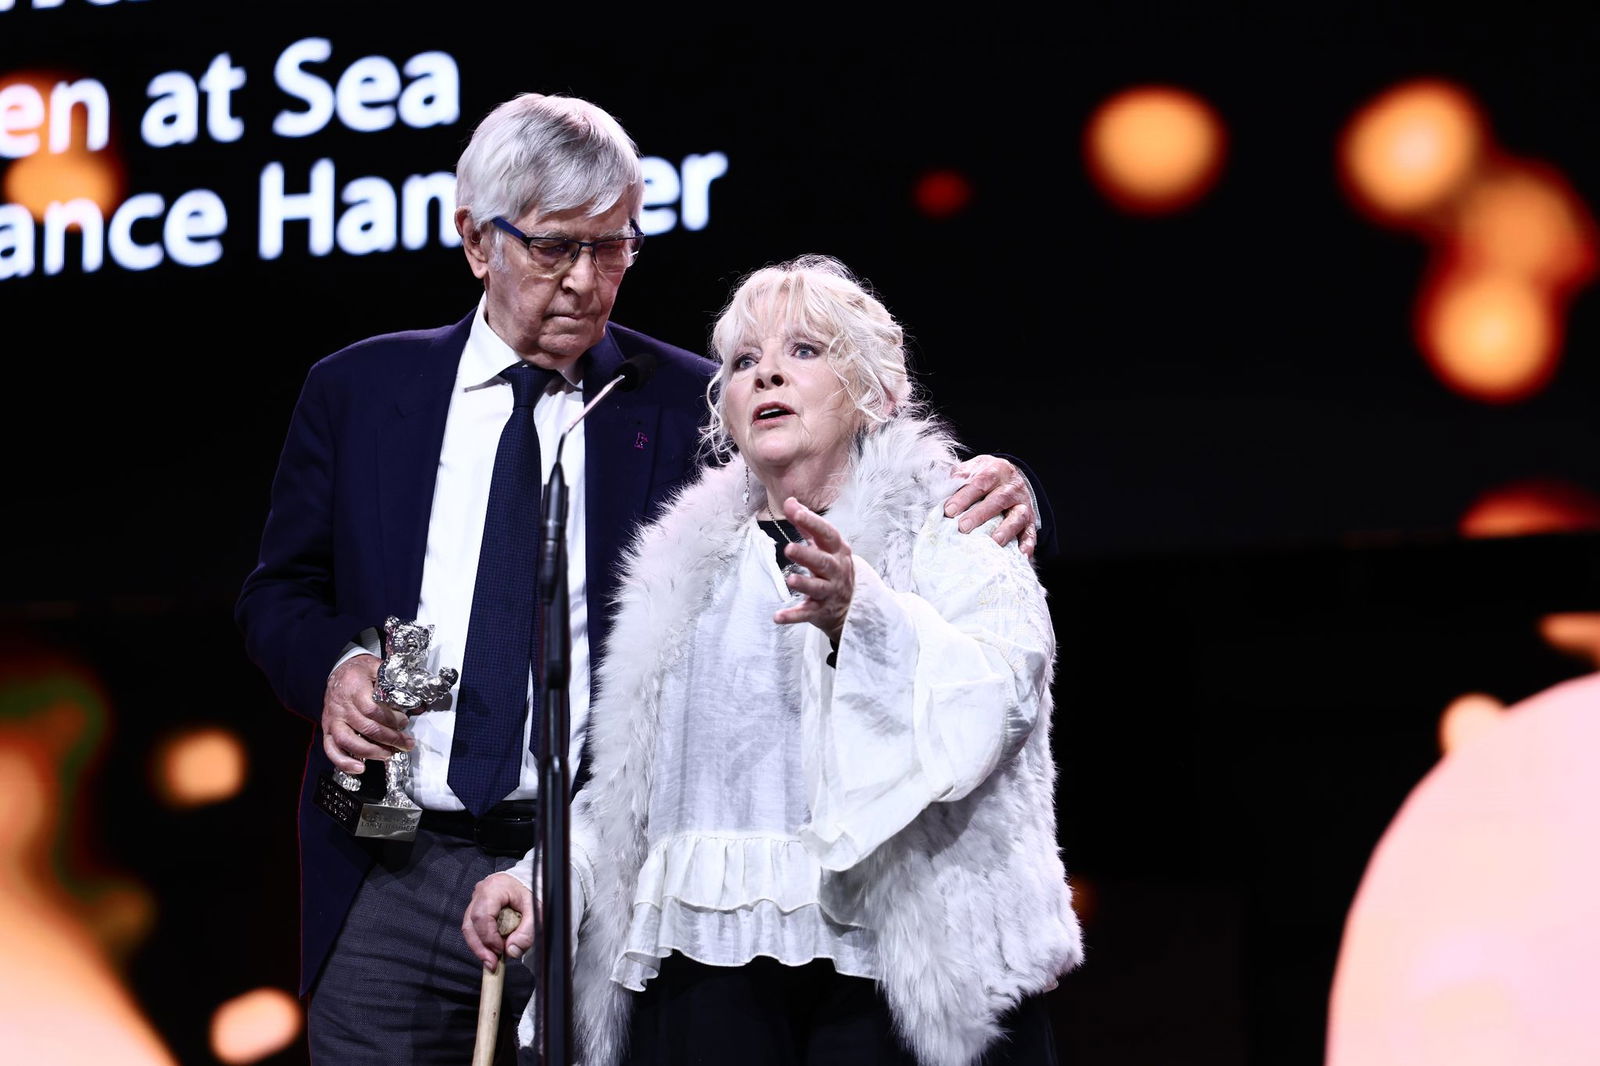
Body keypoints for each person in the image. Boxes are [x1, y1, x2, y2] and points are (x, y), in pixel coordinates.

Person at [236, 95, 1048, 1064]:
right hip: (388, 860)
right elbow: (278, 593)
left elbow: (852, 464)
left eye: (613, 246)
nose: (585, 282)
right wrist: (334, 669)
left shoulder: (688, 401)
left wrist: (1002, 484)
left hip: (595, 879)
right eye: (553, 248)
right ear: (476, 241)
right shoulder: (361, 392)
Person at [464, 256, 1082, 1066]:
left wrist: (861, 614)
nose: (767, 375)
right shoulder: (685, 568)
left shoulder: (956, 520)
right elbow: (636, 790)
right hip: (707, 972)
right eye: (744, 361)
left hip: (890, 972)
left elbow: (998, 703)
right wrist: (544, 877)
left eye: (805, 350)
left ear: (873, 390)